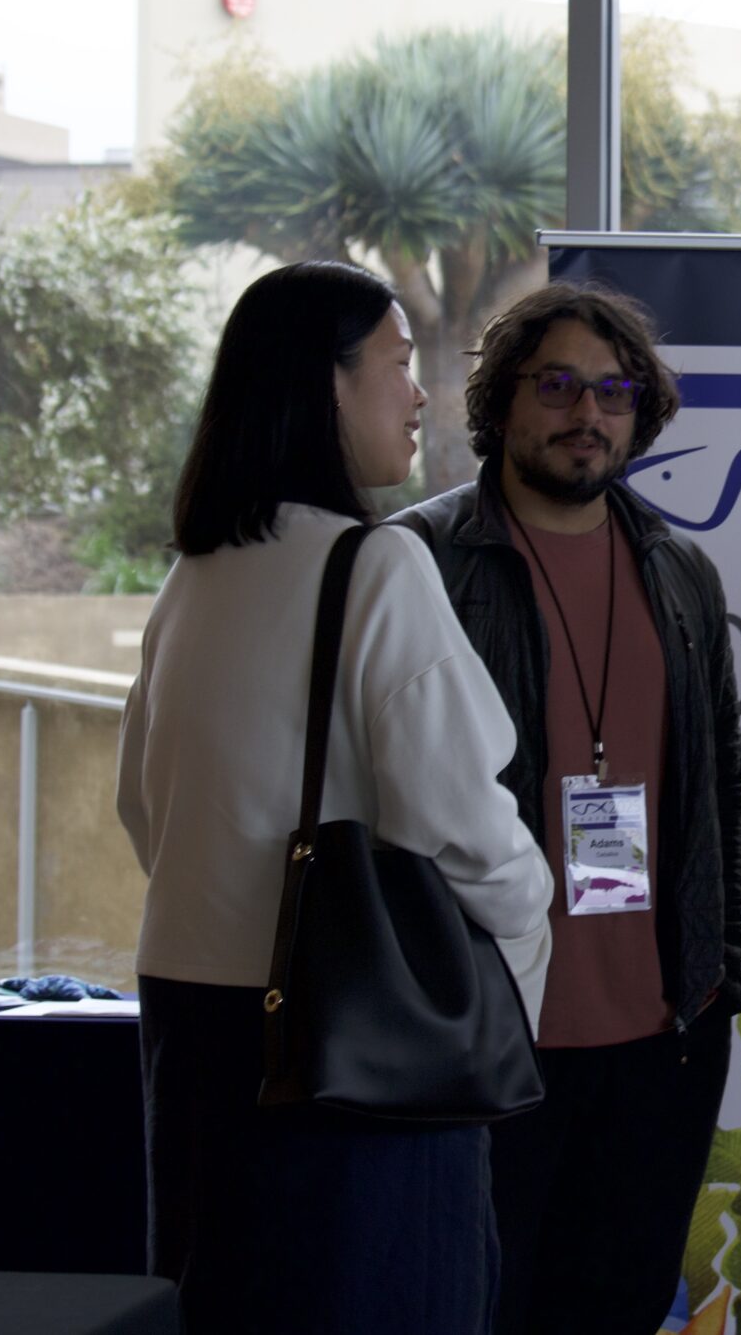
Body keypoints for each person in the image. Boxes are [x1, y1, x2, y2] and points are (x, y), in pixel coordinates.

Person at [118, 261, 553, 1335]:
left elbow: (143, 805)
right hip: (353, 1049)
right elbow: (462, 824)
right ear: (327, 384)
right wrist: (523, 960)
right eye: (398, 364)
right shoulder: (374, 568)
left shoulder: (196, 577)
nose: (417, 394)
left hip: (194, 1036)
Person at [395, 280, 741, 1335]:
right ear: (501, 401)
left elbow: (716, 787)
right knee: (475, 1309)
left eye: (613, 390)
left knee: (619, 1309)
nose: (586, 414)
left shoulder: (678, 571)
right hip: (489, 1033)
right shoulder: (420, 564)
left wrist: (718, 973)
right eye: (557, 385)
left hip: (659, 1035)